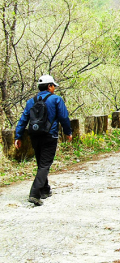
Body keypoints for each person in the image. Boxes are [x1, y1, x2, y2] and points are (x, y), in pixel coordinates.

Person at [14, 75, 73, 206]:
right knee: (45, 164)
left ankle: (45, 190)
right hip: (50, 135)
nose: (54, 89)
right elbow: (64, 117)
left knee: (41, 162)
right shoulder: (56, 99)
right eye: (53, 86)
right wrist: (68, 132)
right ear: (49, 86)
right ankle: (34, 194)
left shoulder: (31, 101)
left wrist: (18, 136)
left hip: (34, 135)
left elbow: (23, 119)